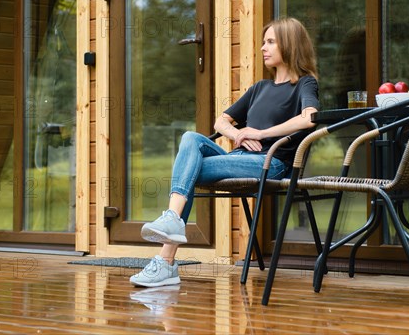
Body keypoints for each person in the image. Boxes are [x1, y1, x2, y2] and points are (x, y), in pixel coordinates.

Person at [130, 17, 320, 287]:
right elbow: (220, 122)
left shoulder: (304, 84)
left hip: (271, 162)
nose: (263, 48)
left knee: (187, 172)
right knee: (190, 138)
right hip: (238, 158)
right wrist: (238, 135)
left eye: (270, 42)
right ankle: (172, 221)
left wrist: (259, 133)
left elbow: (309, 118)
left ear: (289, 45)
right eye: (263, 42)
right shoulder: (259, 88)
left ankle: (165, 262)